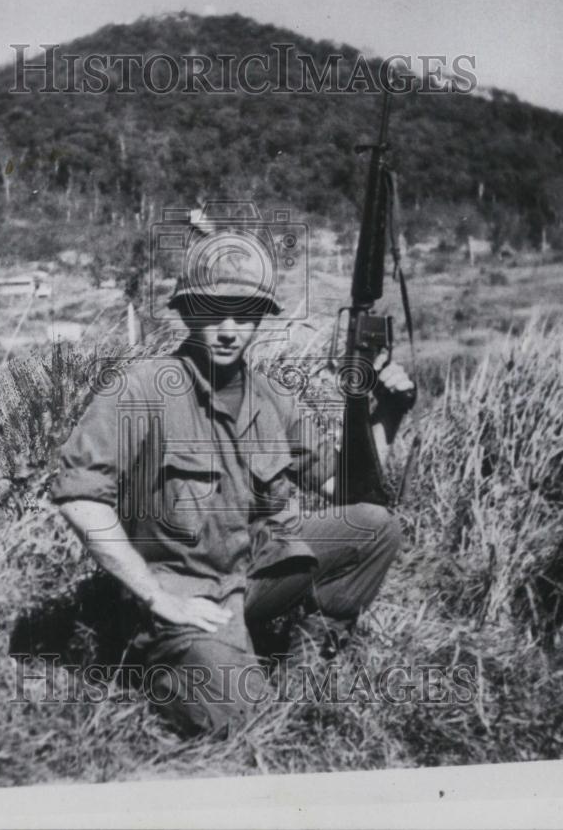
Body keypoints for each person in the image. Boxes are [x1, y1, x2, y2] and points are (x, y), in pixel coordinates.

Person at [50, 230, 415, 735]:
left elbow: (350, 492)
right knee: (247, 726)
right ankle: (169, 658)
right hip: (188, 595)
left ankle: (304, 654)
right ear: (187, 312)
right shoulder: (140, 389)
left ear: (259, 320)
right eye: (212, 312)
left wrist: (387, 414)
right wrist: (156, 596)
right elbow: (80, 497)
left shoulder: (272, 399)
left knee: (376, 527)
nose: (228, 329)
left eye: (244, 314)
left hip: (258, 575)